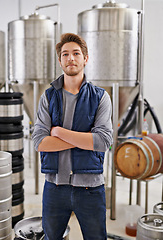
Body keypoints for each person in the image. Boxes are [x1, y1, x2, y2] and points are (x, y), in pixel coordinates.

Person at [32, 33, 113, 240]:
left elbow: (103, 141)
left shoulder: (100, 97)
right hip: (55, 186)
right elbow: (39, 142)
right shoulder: (48, 96)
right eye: (65, 54)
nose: (71, 58)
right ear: (60, 61)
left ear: (85, 58)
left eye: (76, 53)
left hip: (90, 188)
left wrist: (58, 132)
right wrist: (84, 139)